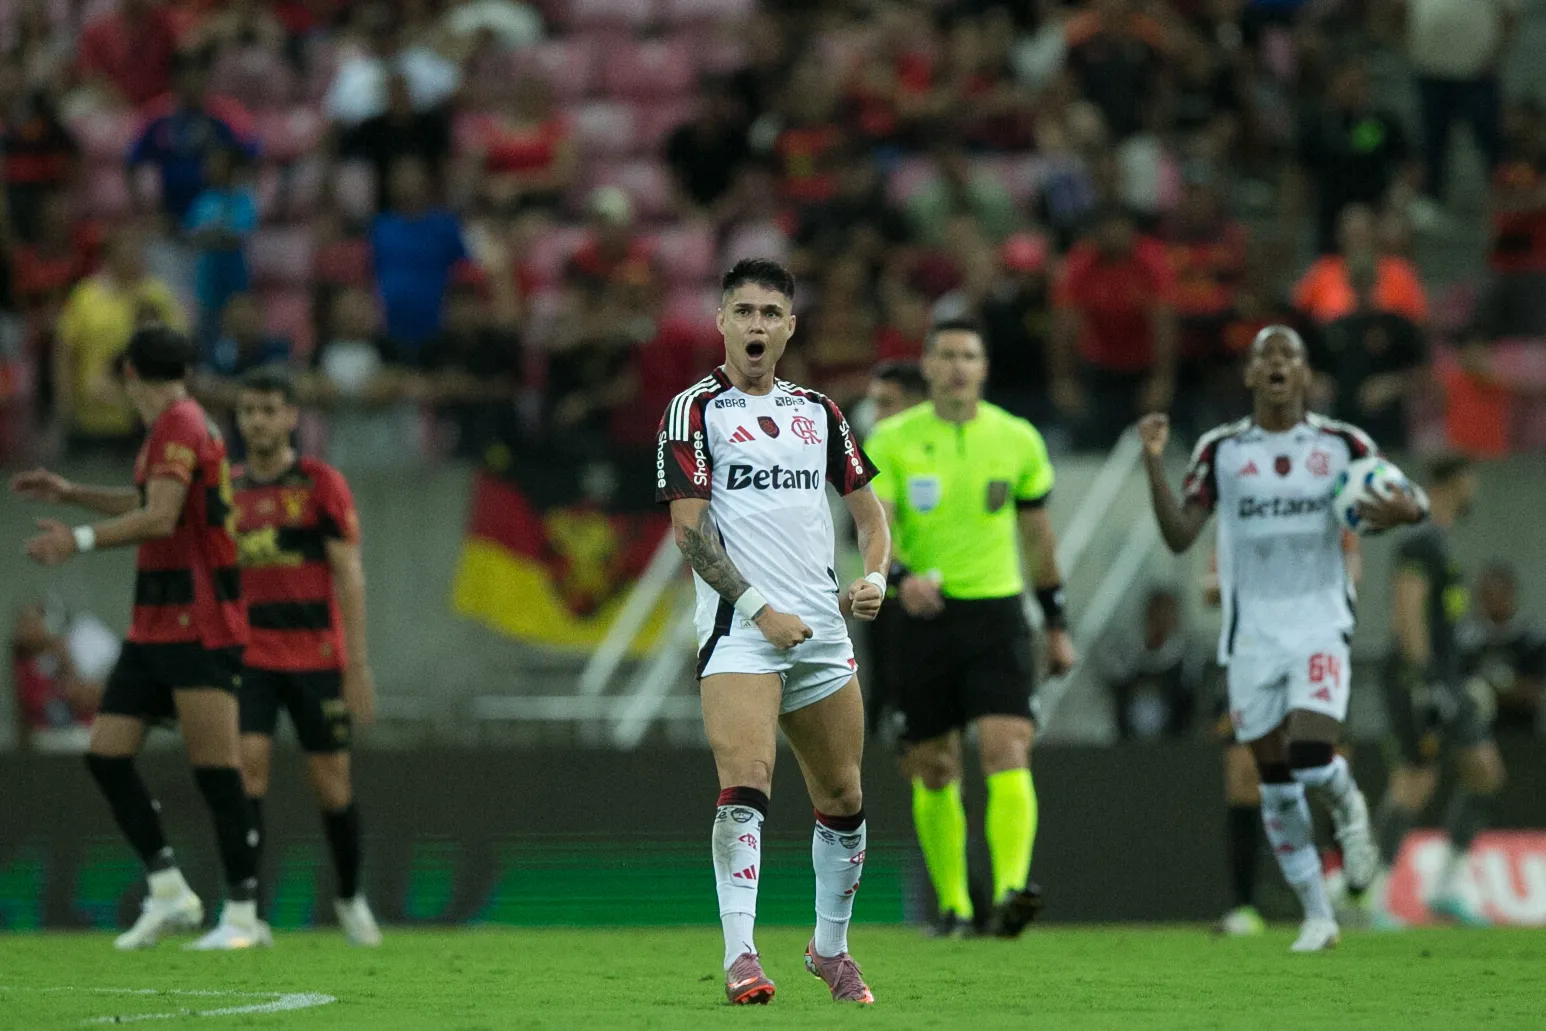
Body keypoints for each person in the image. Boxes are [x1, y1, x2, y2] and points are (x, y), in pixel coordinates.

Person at [1138, 324, 1426, 952]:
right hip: (1250, 640)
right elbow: (1181, 536)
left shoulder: (1343, 443)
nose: (1275, 362)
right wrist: (1153, 464)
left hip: (1320, 626)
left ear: (1304, 374)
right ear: (1249, 375)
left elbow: (1414, 500)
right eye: (1264, 355)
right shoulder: (1221, 450)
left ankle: (1351, 812)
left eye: (1288, 354)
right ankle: (1318, 915)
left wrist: (1406, 510)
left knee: (1311, 756)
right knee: (1272, 780)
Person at [655, 258, 889, 1005]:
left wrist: (876, 577)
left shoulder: (820, 411)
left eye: (769, 313)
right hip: (741, 630)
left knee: (844, 794)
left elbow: (870, 516)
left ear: (789, 327)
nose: (756, 325)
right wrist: (761, 610)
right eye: (743, 312)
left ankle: (830, 950)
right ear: (721, 322)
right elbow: (690, 535)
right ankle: (741, 956)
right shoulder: (693, 410)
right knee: (747, 779)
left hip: (820, 629)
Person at [9, 325, 264, 950]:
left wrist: (77, 540)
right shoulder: (179, 425)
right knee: (106, 753)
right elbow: (152, 500)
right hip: (155, 627)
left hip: (199, 624)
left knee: (216, 772)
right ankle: (170, 890)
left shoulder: (179, 424)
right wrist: (73, 494)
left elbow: (160, 517)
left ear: (127, 374)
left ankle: (242, 914)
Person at [863, 319, 1078, 938]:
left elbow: (1038, 540)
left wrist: (1056, 623)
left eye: (969, 356)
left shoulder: (1017, 439)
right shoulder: (893, 438)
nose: (958, 366)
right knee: (934, 764)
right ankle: (955, 905)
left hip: (997, 613)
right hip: (921, 618)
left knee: (1008, 745)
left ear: (984, 368)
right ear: (928, 367)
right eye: (947, 356)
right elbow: (875, 526)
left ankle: (1010, 892)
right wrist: (900, 576)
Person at [229, 367, 381, 946]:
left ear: (291, 417)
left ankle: (350, 898)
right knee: (247, 772)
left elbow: (350, 575)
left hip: (316, 657)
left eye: (269, 410)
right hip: (251, 659)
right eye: (249, 411)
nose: (258, 421)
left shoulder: (320, 484)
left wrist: (356, 666)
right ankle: (247, 911)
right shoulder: (226, 489)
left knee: (332, 785)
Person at [1369, 456, 1505, 927]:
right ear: (1455, 481)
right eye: (1472, 479)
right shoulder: (1420, 540)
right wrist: (1425, 679)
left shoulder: (1441, 541)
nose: (1475, 490)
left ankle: (1445, 888)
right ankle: (1369, 894)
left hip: (1446, 678)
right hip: (1418, 678)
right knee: (1416, 778)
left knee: (1484, 771)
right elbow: (1406, 613)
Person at [855, 363, 929, 745]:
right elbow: (867, 526)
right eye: (874, 403)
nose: (875, 415)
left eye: (886, 403)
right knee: (884, 701)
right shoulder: (876, 450)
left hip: (947, 595)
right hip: (891, 596)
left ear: (917, 405)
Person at [1459, 563, 1545, 736]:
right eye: (1484, 595)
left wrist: (1498, 689)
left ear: (1510, 594)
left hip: (1521, 733)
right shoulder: (1467, 642)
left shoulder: (1531, 642)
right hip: (1477, 734)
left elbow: (1536, 692)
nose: (1488, 602)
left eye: (1494, 594)